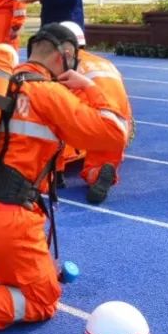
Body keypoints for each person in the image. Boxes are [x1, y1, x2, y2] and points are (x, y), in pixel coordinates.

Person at [0, 23, 131, 334]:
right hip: (5, 220)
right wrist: (88, 88)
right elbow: (115, 133)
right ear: (66, 55)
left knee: (13, 259)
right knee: (44, 298)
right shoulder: (48, 93)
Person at [60, 21, 133, 203]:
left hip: (92, 123)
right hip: (121, 125)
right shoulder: (106, 63)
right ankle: (100, 172)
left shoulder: (67, 63)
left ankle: (56, 172)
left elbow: (56, 101)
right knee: (96, 166)